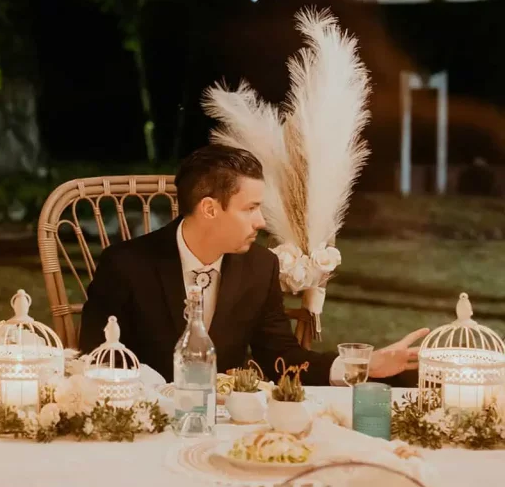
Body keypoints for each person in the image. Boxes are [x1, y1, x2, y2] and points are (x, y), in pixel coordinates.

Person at [79, 145, 428, 386]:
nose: (261, 221)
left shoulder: (260, 267)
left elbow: (281, 357)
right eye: (250, 208)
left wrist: (360, 366)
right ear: (210, 209)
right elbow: (96, 358)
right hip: (145, 427)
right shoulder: (125, 266)